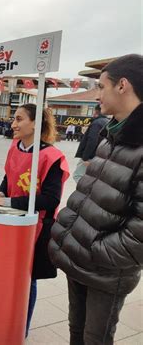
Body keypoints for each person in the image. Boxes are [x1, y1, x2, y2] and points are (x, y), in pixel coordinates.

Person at [49, 54, 143, 345]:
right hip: (81, 260)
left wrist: (98, 250)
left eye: (102, 87)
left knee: (96, 340)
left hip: (106, 269)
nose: (97, 94)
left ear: (123, 86)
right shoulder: (108, 134)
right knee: (76, 333)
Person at [0, 103, 69, 337]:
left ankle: (21, 329)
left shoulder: (53, 157)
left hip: (36, 228)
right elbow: (8, 178)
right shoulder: (15, 147)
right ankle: (3, 319)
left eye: (19, 119)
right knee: (7, 273)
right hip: (10, 224)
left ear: (35, 124)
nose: (13, 124)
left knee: (27, 279)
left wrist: (10, 202)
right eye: (14, 118)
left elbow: (50, 199)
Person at [73, 105, 109, 183]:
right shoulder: (107, 122)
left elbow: (92, 140)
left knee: (78, 175)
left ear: (95, 111)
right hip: (100, 156)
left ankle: (85, 192)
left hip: (90, 156)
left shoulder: (96, 123)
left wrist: (85, 157)